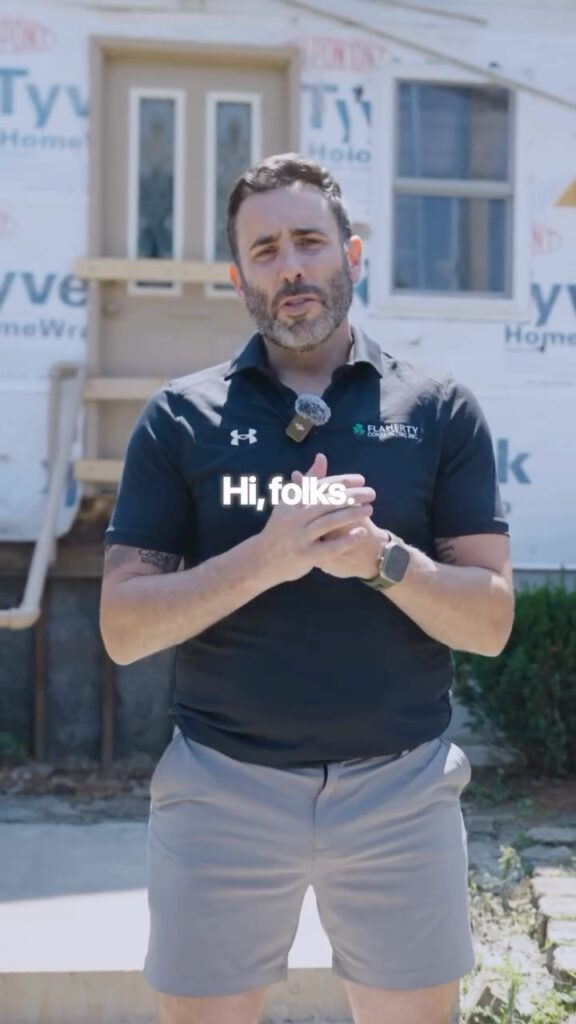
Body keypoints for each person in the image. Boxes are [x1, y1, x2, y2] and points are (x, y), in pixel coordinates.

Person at [100, 153, 514, 1024]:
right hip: (222, 789)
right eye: (264, 250)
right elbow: (123, 629)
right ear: (238, 278)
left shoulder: (437, 410)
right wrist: (269, 555)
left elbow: (490, 622)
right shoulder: (180, 418)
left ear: (351, 255)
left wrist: (380, 559)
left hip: (400, 791)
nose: (290, 267)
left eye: (308, 242)